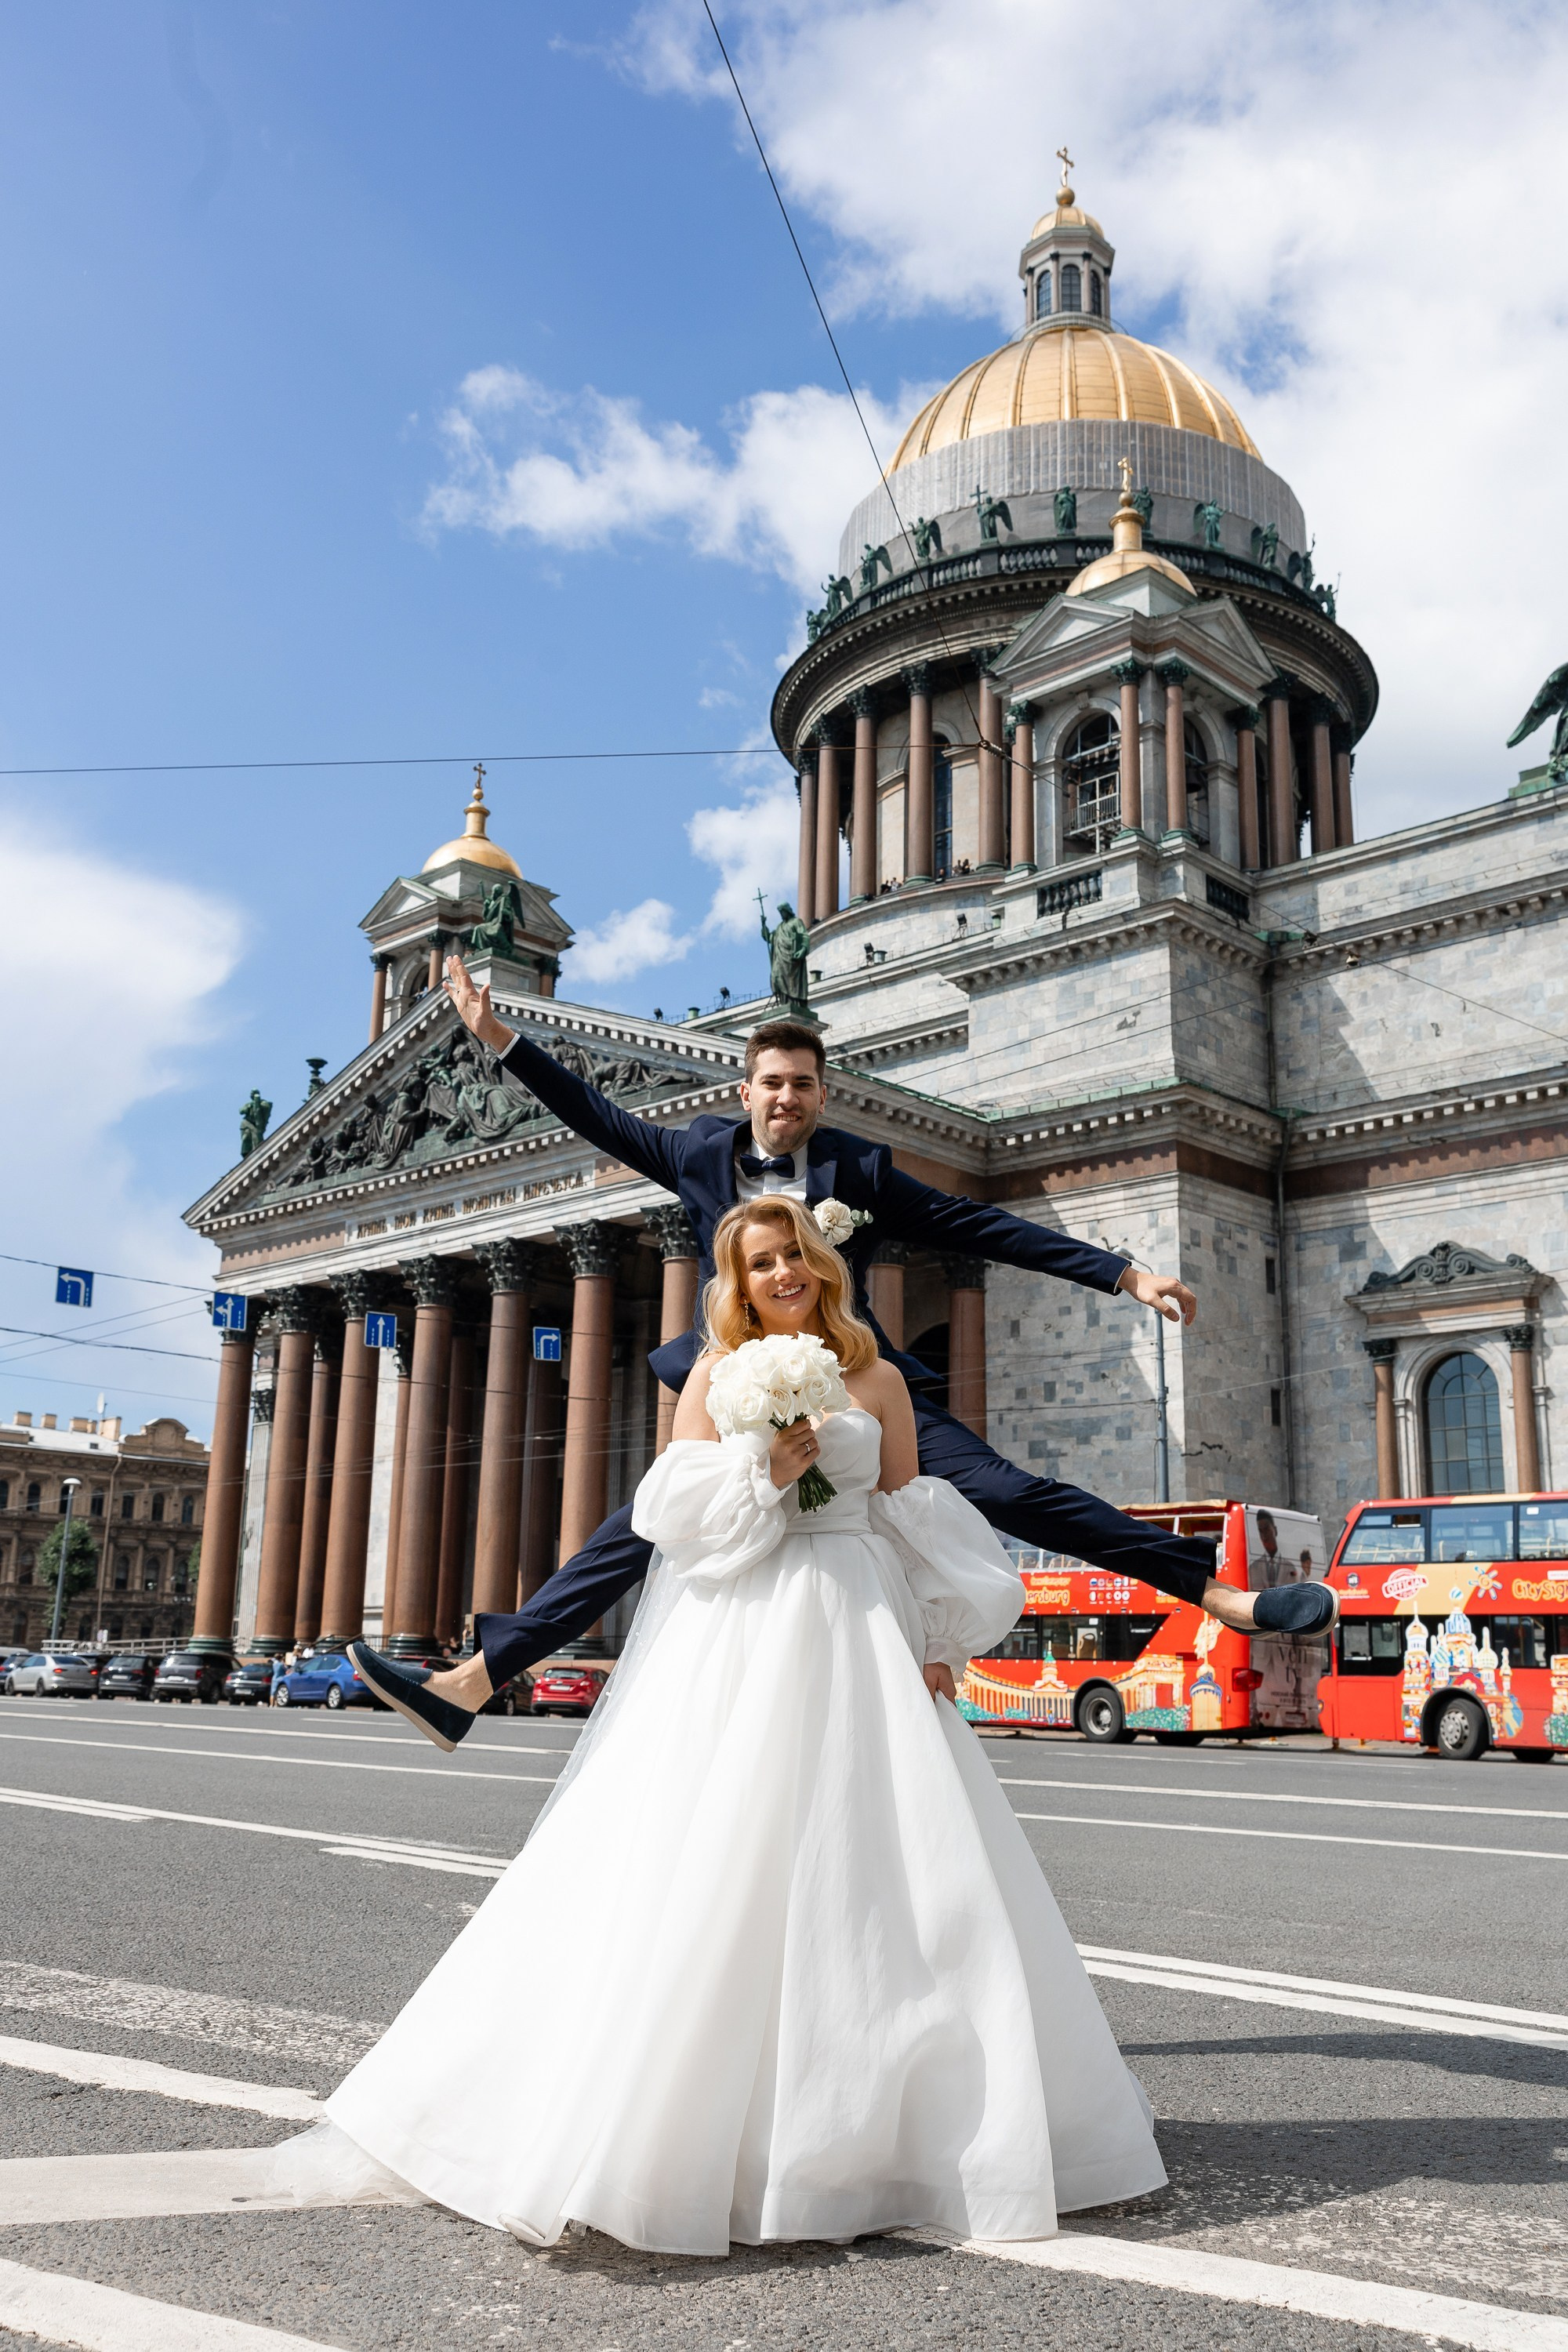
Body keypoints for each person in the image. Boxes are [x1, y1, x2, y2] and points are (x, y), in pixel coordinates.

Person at [285, 1196, 1167, 2252]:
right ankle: (674, 2136)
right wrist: (768, 1472)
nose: (781, 1273)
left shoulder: (878, 1378)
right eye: (758, 1264)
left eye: (793, 1254)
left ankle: (907, 2133)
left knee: (896, 1871)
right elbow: (673, 1519)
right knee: (708, 1853)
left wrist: (941, 1637)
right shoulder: (711, 1375)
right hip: (742, 1622)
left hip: (858, 1614)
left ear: (821, 1263)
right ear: (735, 1282)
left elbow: (908, 1513)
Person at [350, 957, 1334, 1753]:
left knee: (1008, 1489)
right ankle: (469, 1682)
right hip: (736, 1385)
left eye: (803, 1086)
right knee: (641, 1528)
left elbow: (974, 1223)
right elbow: (595, 1114)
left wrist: (1122, 1276)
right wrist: (499, 1040)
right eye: (771, 1084)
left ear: (821, 1096)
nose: (786, 1099)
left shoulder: (858, 1171)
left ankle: (1218, 1592)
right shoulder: (696, 1154)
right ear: (747, 1090)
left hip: (856, 1382)